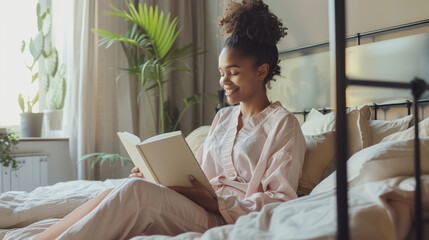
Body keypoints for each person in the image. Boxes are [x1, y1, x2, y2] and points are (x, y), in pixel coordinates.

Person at [33, 0, 305, 239]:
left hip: (224, 216)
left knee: (137, 195)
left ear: (261, 72)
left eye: (233, 72)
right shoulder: (223, 118)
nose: (224, 81)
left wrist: (216, 201)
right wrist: (155, 173)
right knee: (134, 185)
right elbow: (193, 172)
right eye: (222, 72)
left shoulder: (283, 125)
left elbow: (280, 200)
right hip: (194, 205)